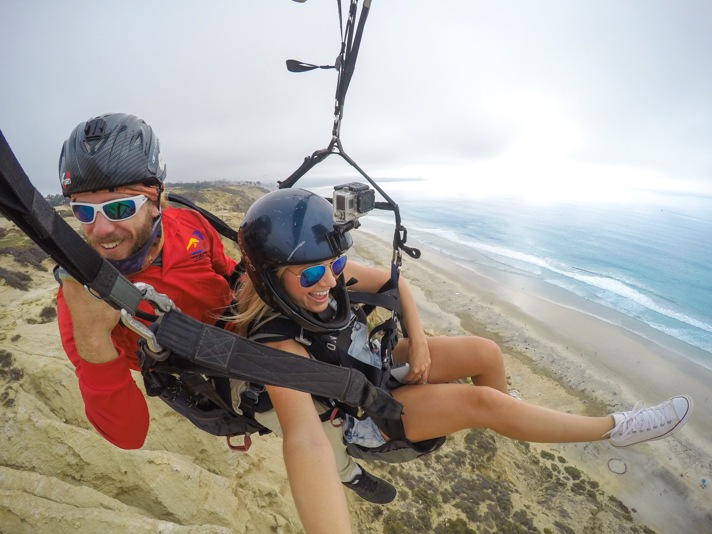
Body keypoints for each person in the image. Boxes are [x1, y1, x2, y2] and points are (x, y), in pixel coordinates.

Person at [233, 187, 695, 532]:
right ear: (271, 277)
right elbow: (305, 442)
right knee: (484, 406)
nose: (329, 282)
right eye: (312, 273)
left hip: (374, 359)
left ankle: (516, 418)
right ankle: (614, 429)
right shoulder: (277, 344)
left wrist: (422, 340)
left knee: (485, 351)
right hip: (365, 411)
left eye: (335, 267)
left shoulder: (321, 265)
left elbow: (397, 285)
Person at [54, 112, 396, 506]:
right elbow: (129, 436)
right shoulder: (82, 302)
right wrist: (95, 339)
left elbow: (229, 273)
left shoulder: (188, 225)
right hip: (211, 372)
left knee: (330, 321)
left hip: (239, 322)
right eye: (83, 211)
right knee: (308, 417)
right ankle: (345, 470)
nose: (99, 230)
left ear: (156, 199)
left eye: (118, 209)